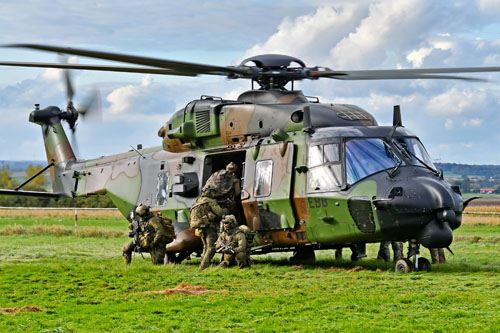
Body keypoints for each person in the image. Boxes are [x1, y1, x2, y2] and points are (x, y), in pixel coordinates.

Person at [190, 184, 229, 270]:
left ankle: (202, 264)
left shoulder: (198, 201)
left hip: (199, 228)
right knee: (211, 248)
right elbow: (220, 213)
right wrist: (227, 209)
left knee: (205, 247)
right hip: (209, 227)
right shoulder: (210, 201)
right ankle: (203, 266)